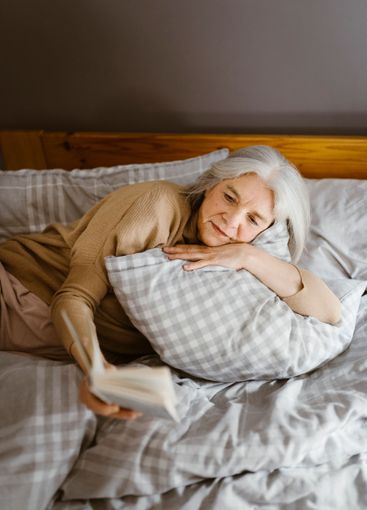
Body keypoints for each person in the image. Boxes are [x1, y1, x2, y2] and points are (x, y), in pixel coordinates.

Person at [0, 145, 341, 420]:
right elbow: (73, 295)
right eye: (229, 197)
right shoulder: (156, 206)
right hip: (15, 288)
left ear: (266, 230)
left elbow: (328, 313)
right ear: (210, 186)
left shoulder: (245, 253)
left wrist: (252, 258)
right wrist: (96, 370)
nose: (231, 220)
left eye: (252, 218)